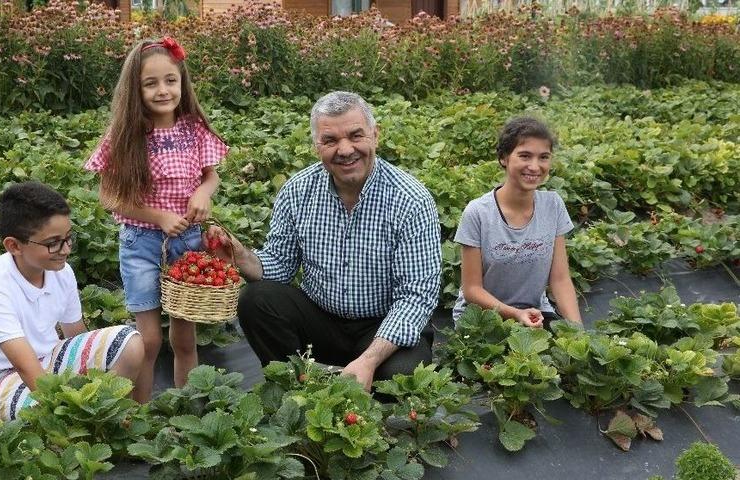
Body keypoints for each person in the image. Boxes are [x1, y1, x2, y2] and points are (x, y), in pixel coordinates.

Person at [206, 91, 441, 391]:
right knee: (256, 300)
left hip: (380, 325)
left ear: (375, 136)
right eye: (330, 140)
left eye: (356, 135)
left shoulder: (410, 199)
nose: (345, 150)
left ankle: (344, 379)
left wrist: (368, 361)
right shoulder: (298, 190)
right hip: (320, 320)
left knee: (403, 376)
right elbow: (279, 265)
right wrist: (241, 257)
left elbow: (415, 297)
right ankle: (298, 387)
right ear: (317, 145)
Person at [85, 36, 229, 401]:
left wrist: (202, 193)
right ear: (135, 88)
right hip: (142, 243)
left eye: (170, 80)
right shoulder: (127, 135)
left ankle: (189, 407)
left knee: (184, 334)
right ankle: (141, 414)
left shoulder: (193, 128)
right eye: (151, 83)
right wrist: (158, 216)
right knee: (147, 340)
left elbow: (211, 176)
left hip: (188, 242)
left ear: (182, 82)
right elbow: (109, 196)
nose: (163, 90)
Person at [0, 182, 144, 421]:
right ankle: (82, 429)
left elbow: (75, 334)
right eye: (53, 243)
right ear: (14, 245)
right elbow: (26, 367)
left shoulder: (61, 272)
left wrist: (92, 382)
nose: (65, 249)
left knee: (130, 343)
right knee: (43, 413)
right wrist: (75, 406)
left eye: (68, 238)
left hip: (49, 357)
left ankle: (113, 419)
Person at [453, 116, 582, 328]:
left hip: (534, 312)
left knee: (559, 358)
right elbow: (472, 290)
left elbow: (560, 279)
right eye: (524, 156)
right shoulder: (478, 213)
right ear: (504, 158)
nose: (534, 166)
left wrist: (578, 333)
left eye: (543, 157)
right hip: (482, 317)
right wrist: (515, 314)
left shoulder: (553, 205)